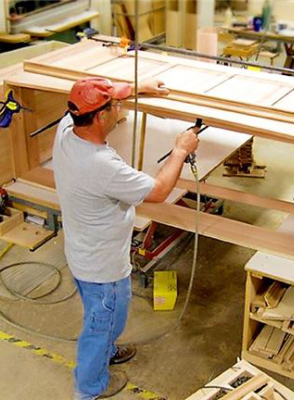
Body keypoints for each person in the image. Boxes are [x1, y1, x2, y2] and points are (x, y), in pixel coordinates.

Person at [53, 76, 201, 399]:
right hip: (103, 269)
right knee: (103, 323)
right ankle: (87, 389)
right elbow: (158, 191)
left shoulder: (66, 130)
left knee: (100, 317)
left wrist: (139, 87)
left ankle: (105, 351)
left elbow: (100, 96)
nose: (119, 109)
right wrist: (180, 150)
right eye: (114, 107)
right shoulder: (101, 165)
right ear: (100, 116)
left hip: (81, 254)